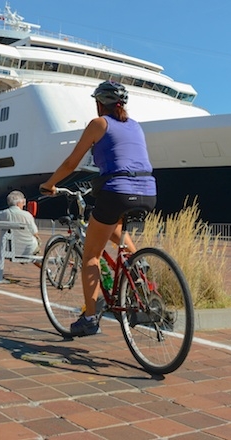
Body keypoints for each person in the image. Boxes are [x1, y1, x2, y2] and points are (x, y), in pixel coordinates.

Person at [40, 80, 156, 337]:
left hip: (116, 191)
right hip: (148, 191)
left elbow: (72, 162)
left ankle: (90, 319)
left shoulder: (98, 124)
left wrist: (49, 184)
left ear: (98, 104)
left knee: (92, 255)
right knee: (112, 226)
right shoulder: (135, 126)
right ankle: (138, 266)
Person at [0, 190, 40, 257]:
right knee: (36, 243)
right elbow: (35, 232)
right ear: (18, 203)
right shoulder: (27, 215)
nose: (23, 205)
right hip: (28, 248)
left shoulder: (4, 213)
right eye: (23, 202)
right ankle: (44, 266)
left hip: (11, 248)